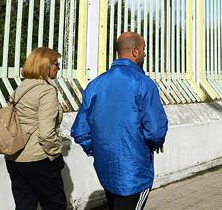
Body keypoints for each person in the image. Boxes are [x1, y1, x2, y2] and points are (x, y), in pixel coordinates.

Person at [71, 32, 168, 210]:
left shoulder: (96, 85)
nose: (145, 54)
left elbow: (80, 131)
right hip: (134, 173)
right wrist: (156, 142)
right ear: (136, 51)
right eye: (144, 49)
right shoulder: (143, 84)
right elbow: (155, 131)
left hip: (106, 169)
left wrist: (100, 150)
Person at [5, 47, 67, 210]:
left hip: (15, 158)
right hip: (38, 158)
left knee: (25, 205)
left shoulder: (21, 87)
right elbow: (46, 133)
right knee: (55, 204)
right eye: (56, 63)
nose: (58, 67)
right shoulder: (46, 90)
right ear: (45, 65)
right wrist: (55, 153)